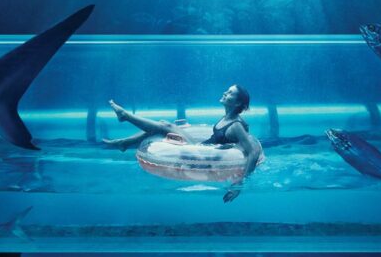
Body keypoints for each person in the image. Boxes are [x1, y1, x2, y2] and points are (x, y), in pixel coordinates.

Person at [104, 84, 263, 203]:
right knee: (164, 125)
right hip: (201, 148)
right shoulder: (227, 118)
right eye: (227, 90)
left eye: (230, 93)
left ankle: (125, 118)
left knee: (165, 127)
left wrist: (240, 184)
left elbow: (253, 152)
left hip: (200, 156)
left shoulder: (235, 125)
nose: (225, 93)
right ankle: (124, 142)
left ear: (237, 103)